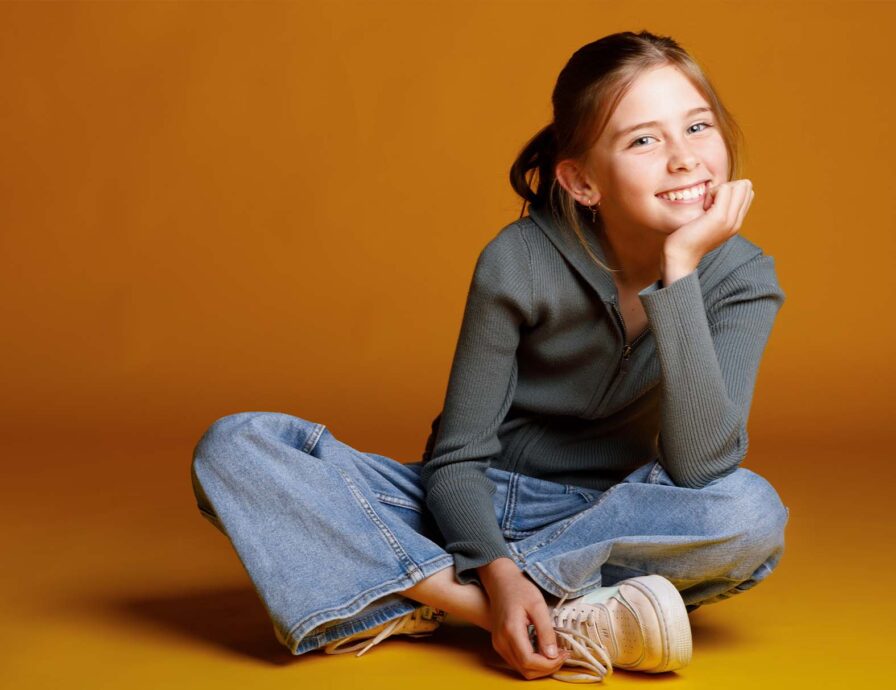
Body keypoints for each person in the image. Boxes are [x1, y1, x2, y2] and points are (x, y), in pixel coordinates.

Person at [191, 29, 790, 684]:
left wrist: (679, 276)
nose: (684, 159)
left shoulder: (743, 278)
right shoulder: (519, 260)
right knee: (235, 447)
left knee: (747, 513)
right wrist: (496, 576)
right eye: (644, 139)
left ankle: (411, 588)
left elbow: (699, 465)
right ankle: (514, 611)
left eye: (698, 126)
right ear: (582, 181)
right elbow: (456, 457)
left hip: (613, 518)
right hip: (475, 499)